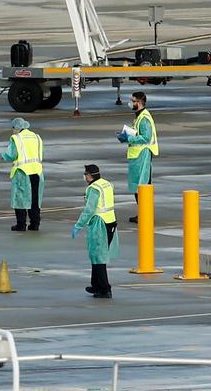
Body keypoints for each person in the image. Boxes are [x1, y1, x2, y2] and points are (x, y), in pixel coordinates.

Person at [72, 164, 118, 299]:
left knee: (98, 257)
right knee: (96, 255)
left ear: (90, 175)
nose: (84, 176)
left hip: (99, 222)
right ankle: (96, 285)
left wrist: (78, 225)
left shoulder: (93, 189)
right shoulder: (106, 184)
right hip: (110, 221)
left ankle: (105, 289)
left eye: (85, 174)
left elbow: (89, 210)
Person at [118, 90, 158, 223]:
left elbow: (146, 137)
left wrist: (128, 138)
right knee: (138, 187)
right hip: (137, 155)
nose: (131, 103)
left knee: (142, 186)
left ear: (140, 102)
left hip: (142, 155)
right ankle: (142, 212)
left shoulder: (144, 117)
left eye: (133, 101)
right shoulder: (139, 116)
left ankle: (145, 214)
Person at [0, 117, 43, 232]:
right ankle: (35, 224)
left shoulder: (17, 138)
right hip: (37, 171)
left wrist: (3, 155)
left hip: (23, 172)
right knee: (35, 199)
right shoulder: (36, 137)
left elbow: (11, 154)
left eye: (13, 128)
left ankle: (21, 224)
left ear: (17, 128)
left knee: (21, 200)